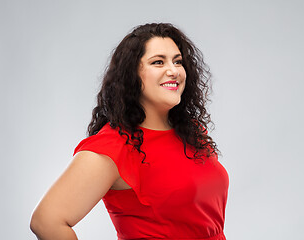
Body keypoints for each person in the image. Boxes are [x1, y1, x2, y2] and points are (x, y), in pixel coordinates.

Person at [30, 23, 229, 240]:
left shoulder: (190, 132)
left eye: (178, 61)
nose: (173, 70)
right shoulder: (114, 147)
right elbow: (46, 221)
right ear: (132, 74)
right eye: (158, 62)